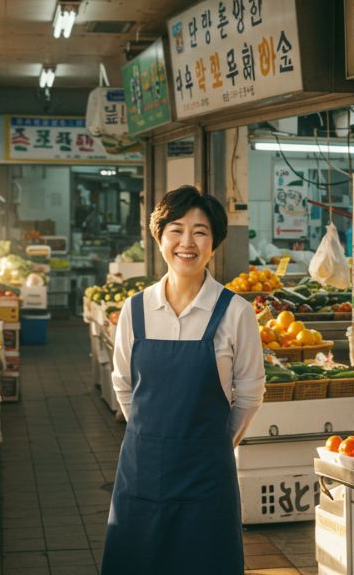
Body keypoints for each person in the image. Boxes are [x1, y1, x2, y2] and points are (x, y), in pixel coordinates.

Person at [101, 185, 264, 574]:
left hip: (207, 476)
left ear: (214, 243)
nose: (186, 242)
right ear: (159, 237)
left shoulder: (235, 312)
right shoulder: (135, 309)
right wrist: (151, 433)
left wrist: (217, 442)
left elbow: (250, 393)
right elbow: (123, 383)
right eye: (176, 229)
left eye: (200, 231)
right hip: (141, 473)